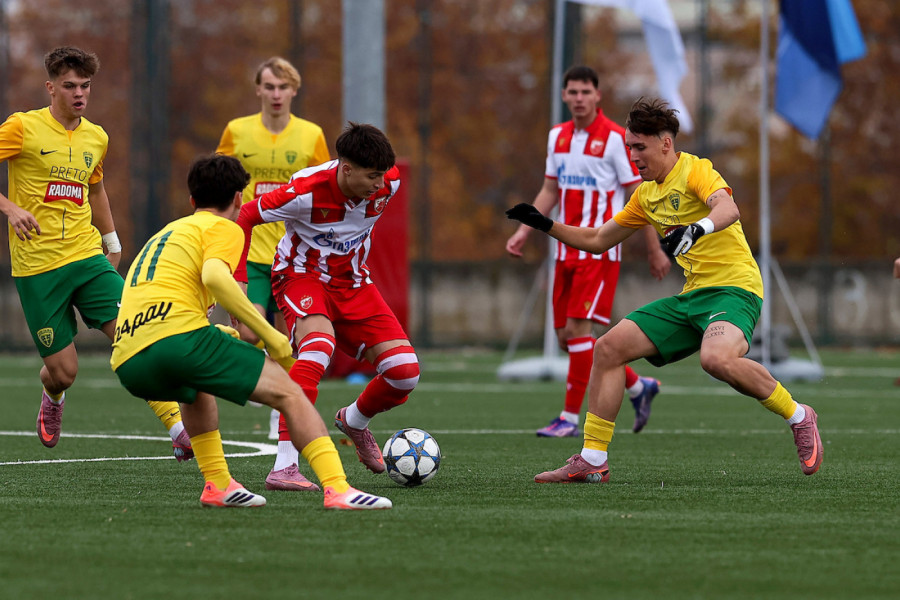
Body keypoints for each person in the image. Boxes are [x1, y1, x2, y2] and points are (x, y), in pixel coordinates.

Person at [506, 97, 823, 483]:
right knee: (606, 348)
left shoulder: (695, 171)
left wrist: (697, 229)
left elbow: (728, 209)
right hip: (692, 297)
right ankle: (592, 459)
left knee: (715, 360)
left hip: (733, 289)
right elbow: (597, 238)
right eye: (628, 148)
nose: (632, 156)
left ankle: (799, 415)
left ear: (665, 144)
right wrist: (544, 223)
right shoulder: (644, 195)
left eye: (639, 147)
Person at [110, 153, 391, 509]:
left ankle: (219, 485)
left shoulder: (168, 232)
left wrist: (218, 334)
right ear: (240, 198)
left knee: (195, 390)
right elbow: (215, 276)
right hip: (176, 341)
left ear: (192, 200)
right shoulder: (224, 227)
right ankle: (338, 488)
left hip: (127, 357)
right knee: (290, 393)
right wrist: (270, 335)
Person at [0, 46, 190, 459]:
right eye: (69, 86)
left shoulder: (96, 135)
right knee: (65, 373)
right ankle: (53, 396)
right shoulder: (21, 127)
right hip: (37, 267)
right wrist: (10, 208)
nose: (79, 94)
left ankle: (178, 429)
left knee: (134, 331)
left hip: (87, 257)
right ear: (50, 88)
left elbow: (96, 187)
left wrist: (113, 239)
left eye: (85, 86)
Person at [235, 122, 419, 478]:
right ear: (346, 169)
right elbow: (245, 216)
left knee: (404, 373)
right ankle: (285, 465)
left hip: (353, 283)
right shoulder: (305, 191)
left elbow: (381, 182)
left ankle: (353, 421)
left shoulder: (389, 182)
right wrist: (239, 281)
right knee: (318, 349)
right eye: (372, 177)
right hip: (301, 276)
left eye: (383, 176)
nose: (380, 185)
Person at [505, 66, 670, 438]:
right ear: (564, 95)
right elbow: (550, 190)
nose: (579, 98)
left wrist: (654, 248)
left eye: (585, 92)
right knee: (567, 338)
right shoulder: (557, 137)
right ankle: (638, 387)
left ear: (597, 96)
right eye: (572, 92)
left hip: (598, 249)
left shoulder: (615, 139)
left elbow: (637, 195)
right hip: (564, 250)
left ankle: (568, 418)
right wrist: (522, 232)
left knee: (581, 330)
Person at [215, 56, 330, 488]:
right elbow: (220, 186)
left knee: (301, 339)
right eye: (269, 86)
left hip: (296, 257)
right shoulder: (237, 131)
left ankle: (283, 408)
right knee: (249, 334)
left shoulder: (312, 135)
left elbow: (325, 191)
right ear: (258, 90)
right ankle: (267, 390)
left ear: (294, 90)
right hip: (250, 252)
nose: (276, 93)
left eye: (284, 86)